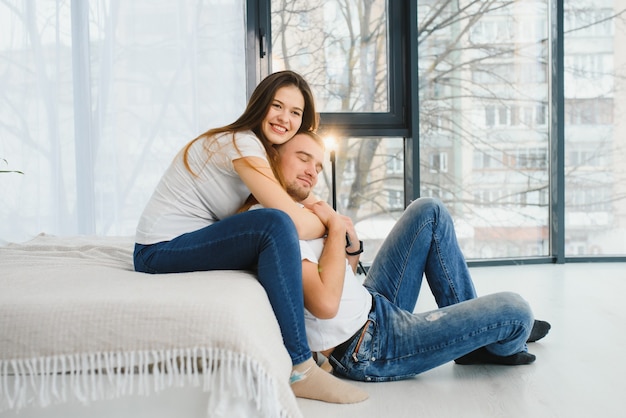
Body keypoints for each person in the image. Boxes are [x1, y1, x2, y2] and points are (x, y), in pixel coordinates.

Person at [133, 71, 368, 403]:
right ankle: (299, 367)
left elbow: (295, 210)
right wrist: (332, 223)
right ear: (260, 105)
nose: (285, 119)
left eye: (295, 113)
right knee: (273, 224)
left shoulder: (263, 156)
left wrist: (320, 215)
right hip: (158, 251)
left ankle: (309, 358)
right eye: (277, 106)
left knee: (272, 224)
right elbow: (292, 222)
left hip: (182, 242)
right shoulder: (241, 142)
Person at [261, 130, 551, 382]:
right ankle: (491, 338)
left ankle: (475, 341)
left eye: (317, 164)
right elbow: (325, 304)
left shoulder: (297, 212)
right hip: (368, 346)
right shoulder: (274, 225)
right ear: (272, 158)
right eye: (302, 158)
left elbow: (339, 280)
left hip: (372, 306)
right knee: (517, 311)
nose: (312, 172)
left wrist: (351, 248)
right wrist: (335, 227)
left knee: (428, 211)